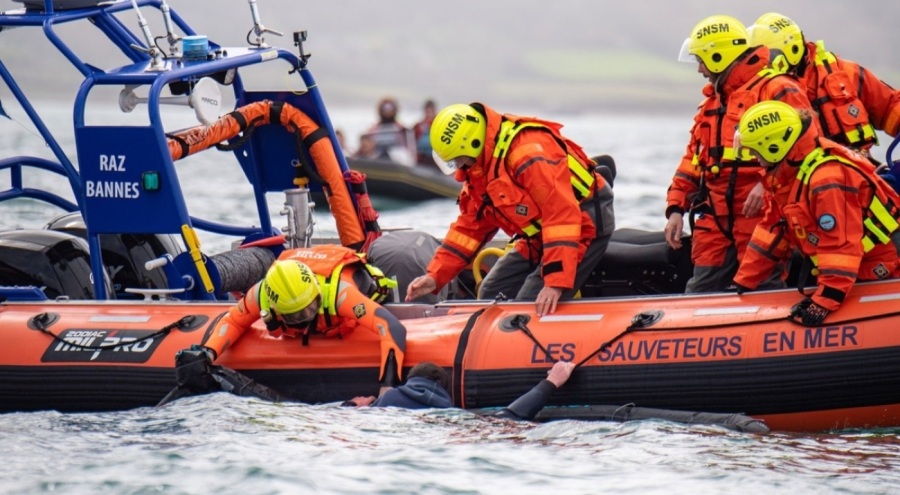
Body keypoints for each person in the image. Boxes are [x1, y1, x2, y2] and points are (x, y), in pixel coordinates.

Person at [404, 102, 615, 316]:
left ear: (473, 144)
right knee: (490, 291)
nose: (458, 166)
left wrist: (554, 282)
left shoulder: (525, 152)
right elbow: (470, 228)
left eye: (458, 160)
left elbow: (560, 214)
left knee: (529, 306)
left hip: (583, 223)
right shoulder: (480, 169)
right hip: (540, 234)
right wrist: (435, 276)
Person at [665, 14, 818, 293]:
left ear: (719, 57)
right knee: (701, 288)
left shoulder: (777, 89)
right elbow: (693, 160)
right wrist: (676, 207)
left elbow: (808, 144)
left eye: (701, 60)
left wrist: (765, 183)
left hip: (760, 211)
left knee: (763, 285)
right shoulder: (712, 103)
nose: (699, 69)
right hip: (715, 214)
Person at [733, 100, 900, 325]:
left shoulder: (826, 178)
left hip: (884, 268)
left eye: (755, 151)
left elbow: (840, 245)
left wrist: (825, 300)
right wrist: (744, 281)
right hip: (857, 271)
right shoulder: (787, 177)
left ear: (773, 147)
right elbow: (772, 232)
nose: (755, 158)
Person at [175, 245, 407, 396]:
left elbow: (390, 326)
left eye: (311, 307)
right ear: (276, 310)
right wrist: (207, 353)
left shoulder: (339, 294)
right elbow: (234, 320)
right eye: (297, 315)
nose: (308, 316)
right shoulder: (262, 294)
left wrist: (387, 387)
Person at [746, 13, 900, 160]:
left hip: (862, 173)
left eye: (769, 56)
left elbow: (889, 106)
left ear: (793, 48)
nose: (766, 64)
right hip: (806, 179)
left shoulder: (844, 73)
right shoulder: (763, 90)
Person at [344, 360, 576, 421]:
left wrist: (353, 406)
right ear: (445, 391)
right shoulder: (449, 414)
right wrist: (551, 382)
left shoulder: (383, 404)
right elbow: (510, 416)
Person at [364, 96, 416, 165]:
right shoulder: (374, 130)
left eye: (390, 107)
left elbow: (409, 147)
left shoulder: (401, 129)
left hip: (396, 156)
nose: (387, 111)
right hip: (378, 155)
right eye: (385, 108)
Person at [413, 99, 438, 166]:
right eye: (427, 112)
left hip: (437, 159)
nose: (429, 114)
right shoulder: (418, 126)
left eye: (431, 111)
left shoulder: (439, 125)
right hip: (422, 158)